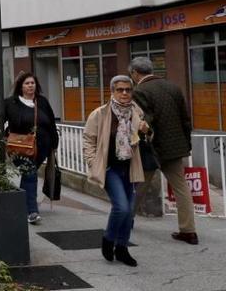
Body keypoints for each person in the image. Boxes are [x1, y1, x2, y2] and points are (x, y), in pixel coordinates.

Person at [128, 56, 197, 245]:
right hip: (175, 147)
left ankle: (126, 220)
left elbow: (143, 122)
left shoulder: (140, 91)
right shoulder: (173, 87)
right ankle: (189, 230)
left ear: (135, 73)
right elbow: (185, 119)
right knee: (181, 188)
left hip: (152, 148)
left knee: (139, 186)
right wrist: (186, 144)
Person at [82, 75, 148, 267]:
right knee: (122, 207)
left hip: (129, 167)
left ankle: (122, 248)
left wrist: (145, 131)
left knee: (128, 212)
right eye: (120, 90)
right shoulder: (100, 113)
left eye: (128, 89)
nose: (125, 93)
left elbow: (146, 136)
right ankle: (109, 239)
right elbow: (88, 140)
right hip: (109, 168)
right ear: (112, 91)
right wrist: (93, 163)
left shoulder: (136, 111)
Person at [4, 71, 58, 224]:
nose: (30, 86)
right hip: (20, 147)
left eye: (32, 83)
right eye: (27, 83)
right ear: (20, 86)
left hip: (42, 148)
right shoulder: (10, 103)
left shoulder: (42, 101)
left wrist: (54, 144)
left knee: (28, 176)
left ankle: (21, 205)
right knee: (30, 173)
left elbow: (51, 123)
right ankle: (32, 211)